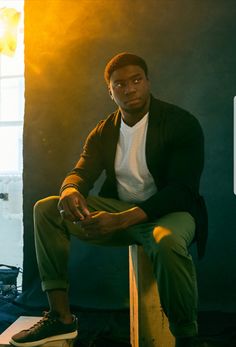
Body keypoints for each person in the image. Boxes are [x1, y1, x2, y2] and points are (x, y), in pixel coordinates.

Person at [11, 52, 207, 347]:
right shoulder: (105, 131)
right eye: (120, 85)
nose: (129, 89)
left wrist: (121, 220)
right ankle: (60, 318)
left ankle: (186, 337)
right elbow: (81, 171)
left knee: (166, 241)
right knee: (48, 209)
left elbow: (182, 190)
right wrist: (70, 190)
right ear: (110, 91)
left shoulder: (180, 123)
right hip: (120, 212)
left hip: (171, 212)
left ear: (147, 82)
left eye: (136, 80)